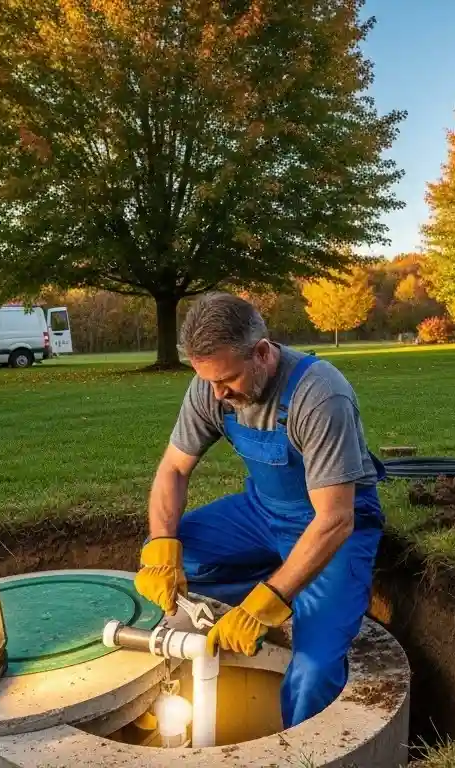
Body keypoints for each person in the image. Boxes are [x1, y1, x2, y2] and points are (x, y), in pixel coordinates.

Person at [132, 291, 387, 729]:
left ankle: (300, 752)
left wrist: (267, 603)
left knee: (314, 669)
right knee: (178, 555)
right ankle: (277, 581)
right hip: (261, 513)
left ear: (263, 353)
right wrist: (162, 546)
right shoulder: (211, 386)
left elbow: (336, 518)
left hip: (330, 526)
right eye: (208, 381)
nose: (217, 394)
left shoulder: (319, 395)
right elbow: (173, 468)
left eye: (227, 380)